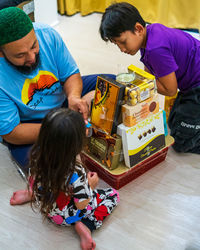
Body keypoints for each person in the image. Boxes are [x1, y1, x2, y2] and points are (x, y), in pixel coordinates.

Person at [0, 7, 115, 172]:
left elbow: (71, 75)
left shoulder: (46, 34)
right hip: (33, 125)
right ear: (1, 53)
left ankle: (77, 133)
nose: (32, 58)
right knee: (42, 168)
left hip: (63, 102)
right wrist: (60, 129)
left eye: (34, 46)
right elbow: (12, 132)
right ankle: (73, 138)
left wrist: (74, 97)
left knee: (113, 85)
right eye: (20, 55)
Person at [10, 108, 120, 250]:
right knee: (112, 195)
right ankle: (86, 225)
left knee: (41, 182)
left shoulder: (38, 155)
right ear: (77, 144)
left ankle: (31, 193)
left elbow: (34, 177)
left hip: (49, 209)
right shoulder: (77, 173)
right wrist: (90, 185)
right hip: (68, 216)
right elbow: (81, 204)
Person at [99, 2, 200, 154]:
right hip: (190, 83)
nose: (122, 49)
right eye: (117, 44)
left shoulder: (155, 49)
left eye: (123, 42)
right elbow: (150, 70)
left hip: (196, 87)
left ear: (138, 29)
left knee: (179, 142)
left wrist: (139, 85)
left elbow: (170, 89)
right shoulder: (151, 33)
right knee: (173, 121)